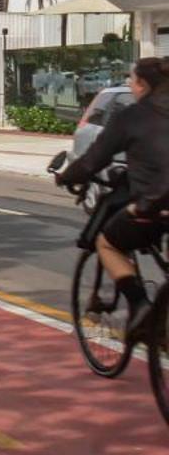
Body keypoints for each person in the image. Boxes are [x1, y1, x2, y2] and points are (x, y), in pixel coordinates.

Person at [59, 57, 169, 334]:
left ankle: (140, 305)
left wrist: (65, 176)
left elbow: (90, 162)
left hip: (154, 207)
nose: (130, 86)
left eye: (132, 81)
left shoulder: (132, 116)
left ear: (143, 85)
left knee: (107, 243)